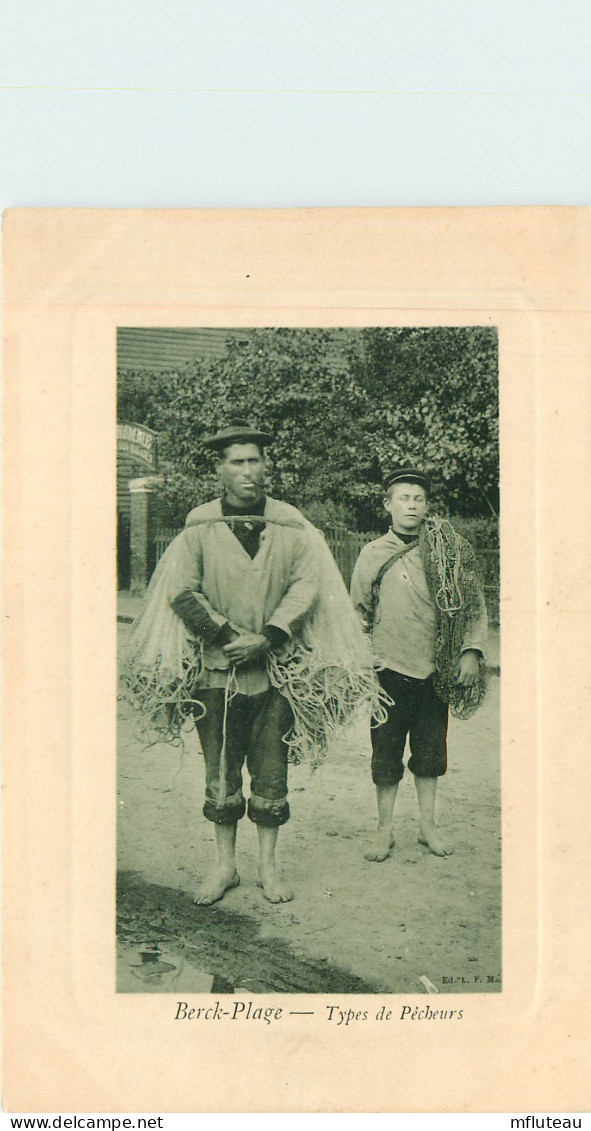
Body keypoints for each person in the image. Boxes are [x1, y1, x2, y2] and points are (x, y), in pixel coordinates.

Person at [124, 418, 386, 906]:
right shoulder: (199, 526)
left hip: (278, 670)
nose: (248, 471)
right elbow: (183, 590)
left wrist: (267, 637)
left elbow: (306, 585)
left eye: (255, 461)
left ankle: (268, 865)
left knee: (270, 767)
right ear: (219, 470)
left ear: (267, 466)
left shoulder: (290, 524)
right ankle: (225, 866)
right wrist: (225, 637)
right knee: (221, 769)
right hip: (214, 671)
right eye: (237, 462)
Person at [350, 466, 488, 861]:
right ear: (388, 505)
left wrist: (470, 651)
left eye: (419, 499)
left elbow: (475, 605)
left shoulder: (450, 549)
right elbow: (357, 611)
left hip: (435, 669)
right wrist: (364, 660)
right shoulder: (372, 554)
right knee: (386, 755)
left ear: (427, 506)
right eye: (403, 498)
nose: (411, 505)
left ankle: (429, 827)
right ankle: (384, 830)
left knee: (430, 755)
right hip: (387, 670)